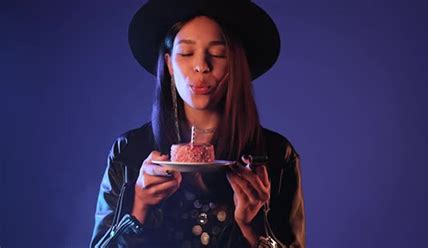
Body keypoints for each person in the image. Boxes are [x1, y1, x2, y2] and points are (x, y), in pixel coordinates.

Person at [90, 0, 305, 247]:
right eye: (186, 53)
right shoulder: (129, 152)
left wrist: (251, 228)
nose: (201, 66)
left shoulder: (275, 155)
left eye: (217, 54)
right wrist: (138, 208)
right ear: (169, 63)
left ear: (235, 64)